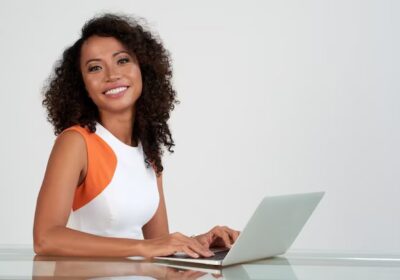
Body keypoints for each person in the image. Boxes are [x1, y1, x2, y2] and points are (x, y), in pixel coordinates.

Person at [33, 13, 239, 258]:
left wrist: (201, 242)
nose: (112, 75)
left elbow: (159, 245)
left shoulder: (148, 148)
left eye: (122, 60)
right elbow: (45, 238)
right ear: (83, 86)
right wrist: (143, 247)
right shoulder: (76, 142)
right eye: (95, 67)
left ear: (143, 68)